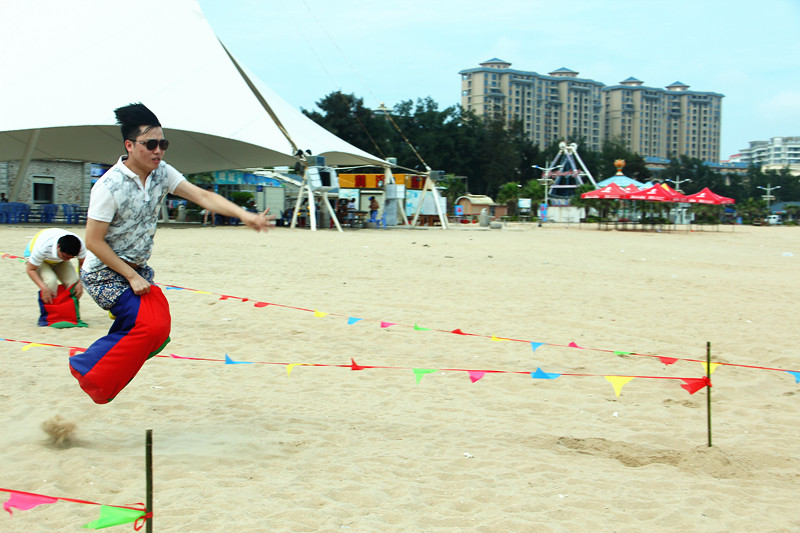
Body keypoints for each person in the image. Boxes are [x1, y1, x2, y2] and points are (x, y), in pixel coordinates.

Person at [73, 102, 274, 403]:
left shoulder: (161, 173)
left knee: (160, 329)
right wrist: (131, 276)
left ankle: (98, 370)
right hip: (104, 274)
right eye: (150, 144)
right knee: (148, 325)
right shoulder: (108, 186)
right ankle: (87, 367)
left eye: (163, 144)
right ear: (129, 145)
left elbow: (202, 195)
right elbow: (93, 242)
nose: (158, 151)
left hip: (137, 271)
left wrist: (245, 216)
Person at [25, 228, 86, 304]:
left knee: (74, 284)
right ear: (58, 247)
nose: (68, 259)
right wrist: (43, 288)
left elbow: (82, 264)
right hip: (38, 257)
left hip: (58, 260)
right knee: (50, 282)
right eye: (65, 256)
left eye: (71, 258)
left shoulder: (80, 246)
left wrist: (81, 283)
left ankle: (69, 308)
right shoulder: (42, 247)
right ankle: (50, 310)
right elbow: (30, 269)